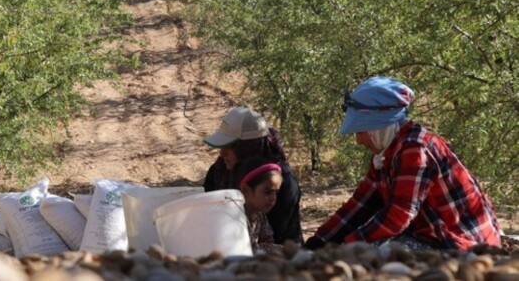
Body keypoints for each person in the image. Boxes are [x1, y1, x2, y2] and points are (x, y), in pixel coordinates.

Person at [306, 76, 501, 251]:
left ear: (378, 127)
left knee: (382, 254)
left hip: (467, 245)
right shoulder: (387, 155)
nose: (359, 141)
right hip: (435, 236)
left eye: (361, 132)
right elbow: (360, 205)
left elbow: (399, 215)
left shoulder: (414, 149)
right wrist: (321, 240)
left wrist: (348, 246)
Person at [203, 106, 303, 245]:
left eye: (229, 147)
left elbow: (279, 237)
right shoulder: (218, 173)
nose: (222, 153)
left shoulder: (281, 180)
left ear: (247, 147)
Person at [235, 157, 283, 254]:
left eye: (276, 192)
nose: (273, 198)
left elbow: (267, 242)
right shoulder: (236, 218)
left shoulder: (260, 216)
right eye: (267, 192)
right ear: (245, 189)